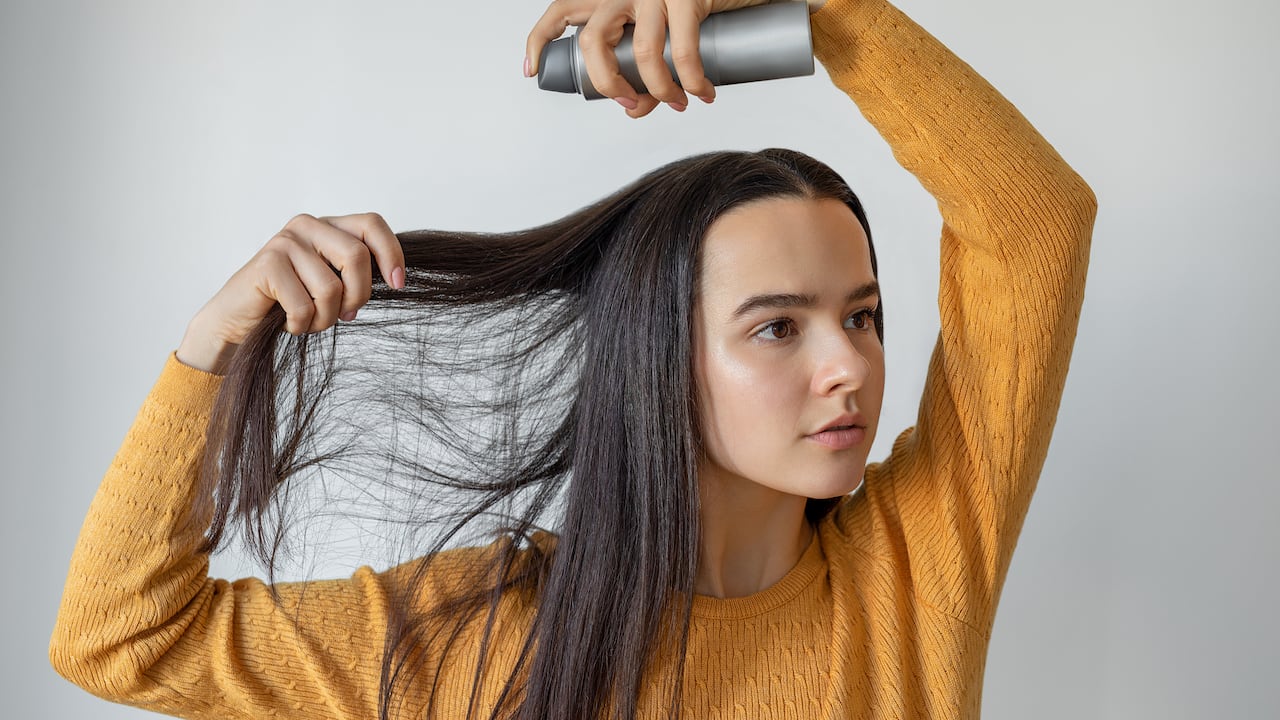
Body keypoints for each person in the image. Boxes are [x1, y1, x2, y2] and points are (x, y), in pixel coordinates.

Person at [50, 0, 1097, 718]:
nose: (851, 368)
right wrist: (215, 348)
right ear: (658, 360)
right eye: (778, 326)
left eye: (861, 316)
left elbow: (1036, 230)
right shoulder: (473, 637)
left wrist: (825, 14)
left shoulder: (912, 568)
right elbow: (118, 639)